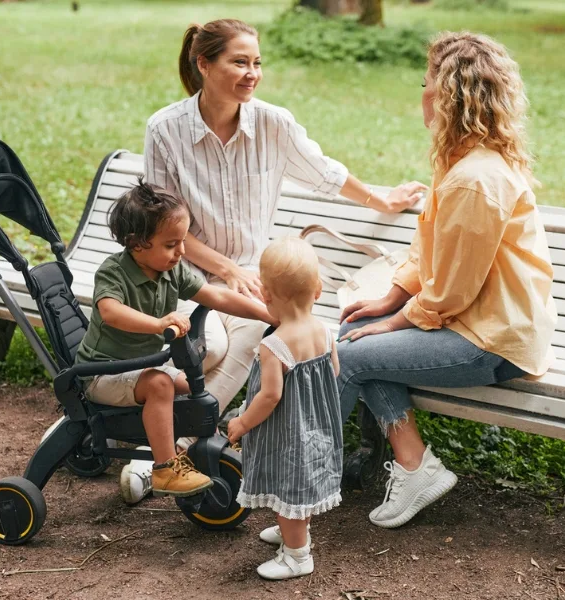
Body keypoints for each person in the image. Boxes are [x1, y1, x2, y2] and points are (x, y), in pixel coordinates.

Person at [142, 18, 427, 456]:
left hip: (254, 276)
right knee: (209, 348)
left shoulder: (273, 123)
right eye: (239, 62)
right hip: (184, 273)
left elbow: (324, 173)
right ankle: (157, 425)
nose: (252, 73)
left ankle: (176, 445)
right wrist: (227, 270)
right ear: (204, 64)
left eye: (257, 63)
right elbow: (165, 228)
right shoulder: (165, 129)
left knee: (255, 334)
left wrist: (382, 200)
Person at [337, 31, 558, 529]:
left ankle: (301, 485)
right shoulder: (459, 162)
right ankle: (416, 466)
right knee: (353, 334)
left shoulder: (475, 179)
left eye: (426, 82)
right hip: (473, 323)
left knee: (347, 355)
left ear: (449, 96)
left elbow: (452, 291)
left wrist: (395, 322)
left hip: (492, 342)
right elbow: (428, 250)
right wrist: (390, 299)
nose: (422, 93)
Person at [74, 178, 275, 498]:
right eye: (171, 244)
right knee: (161, 385)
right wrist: (158, 324)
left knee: (191, 387)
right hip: (103, 372)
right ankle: (166, 468)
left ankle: (194, 446)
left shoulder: (171, 270)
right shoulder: (114, 272)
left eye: (182, 241)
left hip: (138, 367)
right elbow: (111, 312)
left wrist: (268, 315)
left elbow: (217, 296)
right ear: (137, 243)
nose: (181, 251)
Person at [227, 237, 342, 581]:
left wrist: (242, 423)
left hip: (287, 432)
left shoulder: (274, 344)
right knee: (303, 482)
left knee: (289, 483)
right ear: (318, 289)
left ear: (265, 294)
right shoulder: (324, 331)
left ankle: (297, 555)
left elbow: (270, 396)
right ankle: (294, 530)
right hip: (316, 425)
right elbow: (334, 372)